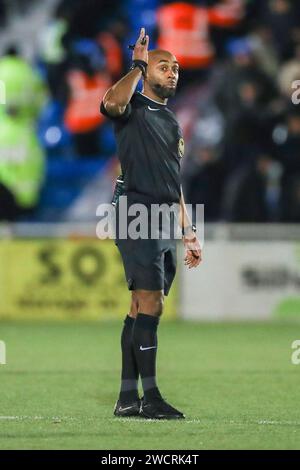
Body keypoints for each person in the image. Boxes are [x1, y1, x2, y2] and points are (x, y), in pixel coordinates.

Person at [100, 28, 202, 420]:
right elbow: (110, 102)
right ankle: (152, 398)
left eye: (176, 68)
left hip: (162, 217)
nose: (173, 72)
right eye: (164, 67)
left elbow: (174, 182)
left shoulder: (173, 123)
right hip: (135, 210)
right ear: (148, 73)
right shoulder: (133, 107)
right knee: (152, 303)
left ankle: (127, 398)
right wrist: (138, 66)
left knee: (139, 307)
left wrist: (188, 230)